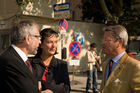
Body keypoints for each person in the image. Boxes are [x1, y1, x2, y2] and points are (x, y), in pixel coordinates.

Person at [0, 20, 43, 93]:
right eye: (38, 37)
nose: (40, 42)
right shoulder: (9, 61)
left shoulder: (23, 60)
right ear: (28, 38)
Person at [100, 25, 140, 93]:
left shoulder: (135, 67)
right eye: (103, 39)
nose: (102, 42)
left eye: (107, 40)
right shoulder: (106, 64)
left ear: (119, 42)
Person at [31, 28, 70, 93]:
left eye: (56, 42)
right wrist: (57, 87)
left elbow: (66, 89)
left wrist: (42, 86)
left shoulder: (62, 65)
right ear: (41, 44)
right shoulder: (30, 63)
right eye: (50, 42)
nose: (54, 46)